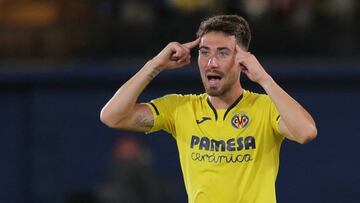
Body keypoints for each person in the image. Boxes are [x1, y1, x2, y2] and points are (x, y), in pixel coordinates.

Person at [100, 14, 317, 203]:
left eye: (222, 53)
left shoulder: (265, 108)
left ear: (243, 60)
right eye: (204, 52)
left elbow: (306, 132)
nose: (211, 62)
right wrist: (154, 65)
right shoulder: (181, 109)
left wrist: (265, 79)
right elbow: (112, 116)